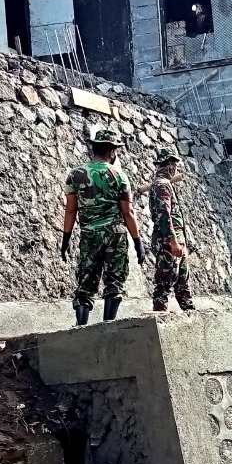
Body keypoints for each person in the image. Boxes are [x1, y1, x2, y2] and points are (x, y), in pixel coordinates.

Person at [61, 129, 146, 326]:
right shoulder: (119, 176)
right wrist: (138, 242)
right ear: (111, 151)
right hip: (115, 235)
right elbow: (128, 213)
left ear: (94, 148)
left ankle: (81, 327)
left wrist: (65, 240)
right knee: (114, 283)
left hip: (89, 235)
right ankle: (108, 327)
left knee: (85, 283)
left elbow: (71, 211)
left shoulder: (75, 174)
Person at [149, 148, 194, 313]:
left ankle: (190, 314)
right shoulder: (161, 185)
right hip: (168, 241)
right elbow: (164, 214)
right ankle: (160, 317)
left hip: (177, 239)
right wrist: (173, 240)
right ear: (166, 165)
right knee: (165, 281)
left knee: (183, 281)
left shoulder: (165, 184)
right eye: (172, 164)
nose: (174, 168)